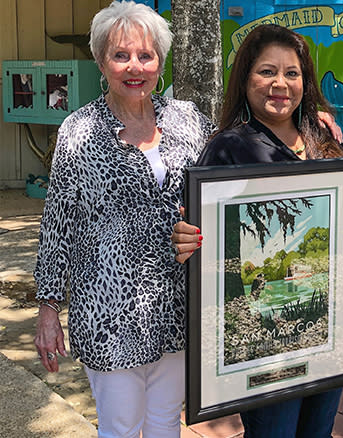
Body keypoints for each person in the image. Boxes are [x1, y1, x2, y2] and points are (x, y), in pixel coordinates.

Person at [171, 24, 343, 438]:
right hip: (262, 346)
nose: (280, 84)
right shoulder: (228, 148)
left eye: (292, 73)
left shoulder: (322, 137)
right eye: (267, 72)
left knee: (317, 431)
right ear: (246, 78)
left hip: (328, 332)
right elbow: (204, 239)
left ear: (305, 81)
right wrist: (187, 241)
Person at [33, 2, 211, 437]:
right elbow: (59, 222)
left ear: (160, 62)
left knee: (166, 421)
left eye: (146, 55)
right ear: (101, 60)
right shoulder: (79, 131)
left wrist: (307, 120)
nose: (135, 66)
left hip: (175, 304)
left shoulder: (189, 120)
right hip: (109, 311)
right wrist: (48, 308)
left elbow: (237, 160)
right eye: (121, 55)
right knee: (120, 426)